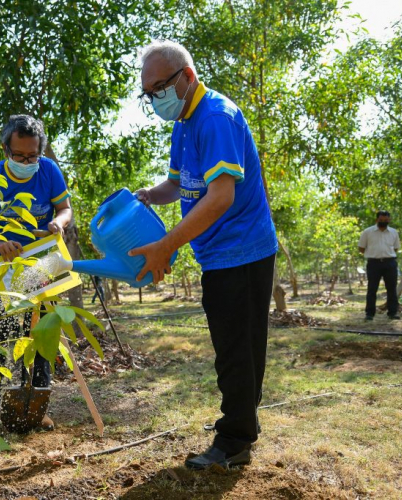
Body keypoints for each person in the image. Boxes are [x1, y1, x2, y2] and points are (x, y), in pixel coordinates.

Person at [130, 41, 278, 469]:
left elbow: (219, 198)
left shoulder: (214, 117)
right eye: (149, 92)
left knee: (237, 349)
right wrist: (145, 197)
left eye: (160, 87)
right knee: (236, 345)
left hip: (243, 251)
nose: (156, 98)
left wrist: (166, 245)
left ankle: (233, 440)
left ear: (187, 77)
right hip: (218, 254)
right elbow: (177, 185)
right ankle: (242, 422)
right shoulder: (184, 121)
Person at [0, 114, 71, 431]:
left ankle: (35, 408)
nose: (26, 161)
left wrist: (58, 224)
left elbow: (64, 208)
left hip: (42, 265)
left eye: (32, 156)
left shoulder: (49, 171)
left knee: (40, 337)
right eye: (19, 155)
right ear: (5, 149)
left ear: (40, 151)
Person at [358, 210, 400, 321]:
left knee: (391, 288)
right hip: (373, 263)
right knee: (372, 289)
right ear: (377, 220)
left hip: (390, 262)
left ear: (389, 220)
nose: (383, 222)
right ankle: (369, 314)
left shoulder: (394, 232)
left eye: (386, 220)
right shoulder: (367, 232)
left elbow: (395, 248)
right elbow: (361, 248)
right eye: (381, 220)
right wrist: (374, 253)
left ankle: (393, 313)